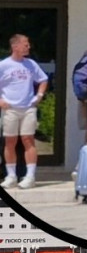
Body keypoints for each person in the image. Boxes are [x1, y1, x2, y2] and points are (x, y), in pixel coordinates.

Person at [0, 34, 48, 189]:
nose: (28, 47)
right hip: (10, 109)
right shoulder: (4, 65)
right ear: (15, 46)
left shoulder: (31, 64)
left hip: (28, 108)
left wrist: (39, 95)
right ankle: (11, 175)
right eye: (25, 44)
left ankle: (30, 176)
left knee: (28, 139)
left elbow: (43, 79)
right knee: (10, 141)